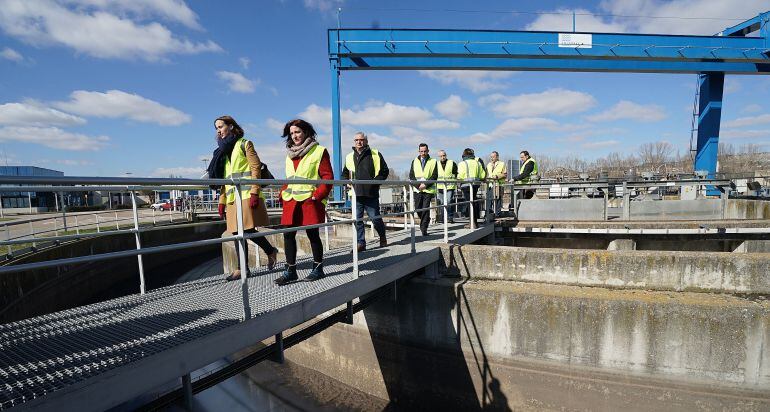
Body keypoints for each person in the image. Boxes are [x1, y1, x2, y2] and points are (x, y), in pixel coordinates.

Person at [212, 115, 278, 282]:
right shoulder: (222, 152)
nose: (219, 130)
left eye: (221, 126)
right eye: (216, 128)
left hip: (247, 194)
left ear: (231, 126)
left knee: (247, 230)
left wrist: (255, 191)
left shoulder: (244, 143)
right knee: (235, 232)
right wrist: (221, 200)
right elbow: (224, 178)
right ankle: (243, 268)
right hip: (232, 197)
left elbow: (256, 167)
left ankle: (269, 252)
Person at [274, 119, 333, 285]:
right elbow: (291, 177)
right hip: (290, 200)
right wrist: (282, 192)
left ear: (306, 132)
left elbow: (327, 177)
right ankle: (290, 271)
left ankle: (318, 268)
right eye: (292, 133)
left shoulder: (319, 151)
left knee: (312, 234)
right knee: (288, 234)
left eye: (297, 132)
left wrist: (318, 195)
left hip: (309, 200)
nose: (294, 136)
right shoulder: (289, 154)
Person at [342, 132, 390, 251]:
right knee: (358, 220)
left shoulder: (375, 154)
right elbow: (344, 174)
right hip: (356, 193)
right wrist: (346, 182)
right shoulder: (349, 157)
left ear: (366, 141)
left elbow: (384, 171)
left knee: (375, 218)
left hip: (371, 193)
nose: (359, 142)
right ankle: (361, 243)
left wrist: (375, 183)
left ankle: (382, 237)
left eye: (361, 139)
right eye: (356, 140)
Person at [408, 143, 438, 236]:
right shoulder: (414, 161)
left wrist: (425, 185)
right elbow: (411, 176)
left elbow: (434, 176)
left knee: (425, 209)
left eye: (425, 151)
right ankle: (426, 220)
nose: (423, 153)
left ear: (428, 151)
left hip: (428, 190)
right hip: (417, 189)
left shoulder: (433, 161)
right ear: (419, 151)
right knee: (418, 209)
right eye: (421, 151)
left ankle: (423, 228)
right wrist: (418, 186)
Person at [457, 148, 486, 224]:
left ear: (464, 155)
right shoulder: (477, 163)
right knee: (474, 201)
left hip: (466, 186)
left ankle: (472, 222)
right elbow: (482, 175)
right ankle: (475, 221)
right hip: (475, 185)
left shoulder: (462, 164)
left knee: (469, 202)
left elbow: (460, 176)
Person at [436, 150, 458, 223]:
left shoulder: (451, 163)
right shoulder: (436, 164)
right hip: (440, 187)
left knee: (449, 201)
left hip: (450, 186)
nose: (443, 157)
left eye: (444, 155)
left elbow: (456, 173)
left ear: (446, 155)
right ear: (439, 157)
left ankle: (450, 217)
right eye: (441, 156)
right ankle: (443, 217)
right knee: (442, 202)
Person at [485, 151, 507, 219]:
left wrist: (497, 176)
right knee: (489, 199)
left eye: (493, 157)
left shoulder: (502, 164)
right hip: (490, 185)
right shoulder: (488, 165)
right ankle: (488, 213)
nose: (492, 158)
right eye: (491, 157)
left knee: (498, 199)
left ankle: (498, 213)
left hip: (499, 184)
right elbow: (486, 174)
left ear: (497, 157)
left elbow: (505, 174)